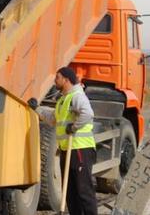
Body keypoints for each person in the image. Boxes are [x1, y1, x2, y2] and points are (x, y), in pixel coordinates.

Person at [31, 67, 97, 215]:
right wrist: (37, 109)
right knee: (71, 193)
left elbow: (88, 113)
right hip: (68, 149)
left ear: (66, 80)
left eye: (58, 77)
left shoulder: (77, 96)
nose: (55, 80)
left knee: (83, 191)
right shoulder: (63, 99)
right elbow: (54, 119)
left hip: (80, 149)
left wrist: (73, 127)